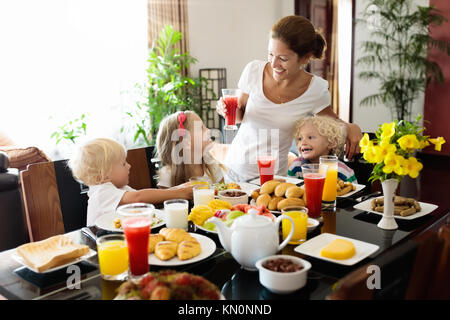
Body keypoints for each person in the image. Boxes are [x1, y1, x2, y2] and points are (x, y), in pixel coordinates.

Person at [216, 15, 362, 182]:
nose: (274, 64)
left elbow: (334, 124)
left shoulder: (315, 89)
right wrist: (225, 109)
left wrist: (351, 126)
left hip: (274, 178)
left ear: (305, 58)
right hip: (235, 169)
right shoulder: (253, 71)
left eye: (283, 59)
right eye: (270, 54)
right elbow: (239, 115)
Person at [69, 138, 193, 226]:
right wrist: (181, 193)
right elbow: (138, 198)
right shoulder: (102, 192)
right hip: (103, 246)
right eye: (123, 164)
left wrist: (178, 188)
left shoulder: (119, 188)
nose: (129, 166)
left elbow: (145, 199)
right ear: (104, 176)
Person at [156, 110, 224, 188]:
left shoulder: (213, 167)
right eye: (201, 128)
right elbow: (166, 198)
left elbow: (224, 194)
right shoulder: (168, 175)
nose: (208, 130)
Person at [287, 115, 357, 182]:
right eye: (300, 138)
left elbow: (355, 192)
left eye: (310, 137)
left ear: (330, 143)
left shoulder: (342, 171)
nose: (303, 142)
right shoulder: (296, 166)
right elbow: (290, 189)